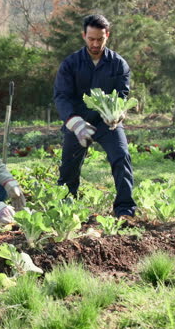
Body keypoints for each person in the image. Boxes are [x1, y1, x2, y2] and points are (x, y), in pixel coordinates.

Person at [53, 14, 136, 218]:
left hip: (108, 124)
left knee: (121, 156)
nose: (95, 43)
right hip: (78, 123)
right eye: (91, 39)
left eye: (100, 39)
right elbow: (61, 96)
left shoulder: (119, 64)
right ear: (84, 36)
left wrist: (117, 115)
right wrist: (75, 122)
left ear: (107, 36)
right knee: (69, 168)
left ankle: (124, 210)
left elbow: (122, 95)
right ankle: (67, 209)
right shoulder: (71, 64)